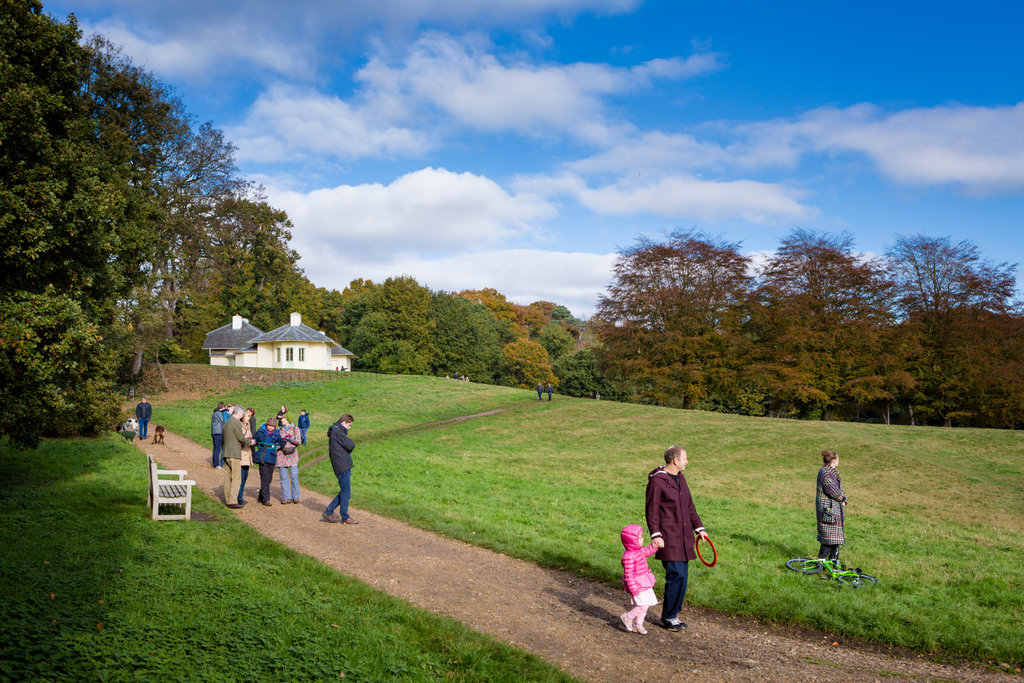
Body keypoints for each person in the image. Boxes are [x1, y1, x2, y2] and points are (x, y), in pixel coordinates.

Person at [645, 445, 708, 632]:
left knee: (683, 576)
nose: (687, 461)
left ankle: (673, 614)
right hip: (668, 537)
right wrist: (655, 535)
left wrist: (700, 528)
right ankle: (669, 617)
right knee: (676, 575)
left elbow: (690, 506)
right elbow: (651, 510)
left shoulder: (680, 478)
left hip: (684, 537)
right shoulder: (657, 482)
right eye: (685, 458)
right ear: (675, 460)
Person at [619, 524, 659, 635]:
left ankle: (638, 624)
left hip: (644, 582)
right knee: (643, 605)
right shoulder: (628, 557)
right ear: (632, 541)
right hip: (637, 585)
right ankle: (627, 617)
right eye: (640, 537)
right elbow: (629, 575)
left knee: (645, 605)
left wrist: (654, 546)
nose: (643, 539)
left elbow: (647, 551)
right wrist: (633, 588)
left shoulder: (638, 551)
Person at [322, 414, 357, 524]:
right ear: (344, 422)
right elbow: (350, 445)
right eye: (349, 425)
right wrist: (349, 440)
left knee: (345, 491)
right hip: (342, 465)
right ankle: (345, 517)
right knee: (346, 492)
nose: (349, 427)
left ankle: (329, 511)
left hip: (341, 464)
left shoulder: (336, 431)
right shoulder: (338, 432)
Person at [816, 450, 847, 564]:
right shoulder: (825, 472)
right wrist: (842, 498)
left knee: (835, 537)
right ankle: (821, 562)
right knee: (829, 537)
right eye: (838, 459)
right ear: (834, 461)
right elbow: (832, 489)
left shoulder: (830, 472)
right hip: (828, 509)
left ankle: (833, 561)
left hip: (833, 509)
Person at [222, 406, 254, 509]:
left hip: (226, 453)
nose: (242, 417)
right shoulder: (235, 422)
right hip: (234, 454)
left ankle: (227, 499)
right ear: (238, 413)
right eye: (241, 414)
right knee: (236, 478)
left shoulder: (227, 422)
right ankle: (232, 501)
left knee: (227, 478)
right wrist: (250, 442)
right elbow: (240, 438)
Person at [252, 418, 286, 506]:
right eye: (269, 425)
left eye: (272, 426)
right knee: (264, 478)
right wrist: (257, 446)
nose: (270, 428)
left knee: (269, 478)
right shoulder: (260, 432)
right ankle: (266, 499)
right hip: (262, 458)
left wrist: (277, 447)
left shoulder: (277, 434)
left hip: (271, 458)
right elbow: (254, 440)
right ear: (266, 425)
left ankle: (261, 495)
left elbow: (282, 443)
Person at [276, 415, 302, 504]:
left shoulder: (295, 429)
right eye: (281, 418)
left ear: (288, 419)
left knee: (294, 477)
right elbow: (275, 440)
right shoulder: (279, 429)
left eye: (283, 418)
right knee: (283, 478)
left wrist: (291, 439)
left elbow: (299, 441)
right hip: (281, 455)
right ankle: (286, 497)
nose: (281, 420)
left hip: (292, 456)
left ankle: (296, 496)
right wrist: (277, 445)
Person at [236, 409, 255, 506]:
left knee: (245, 476)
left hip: (247, 454)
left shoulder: (248, 425)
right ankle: (238, 497)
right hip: (241, 453)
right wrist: (248, 440)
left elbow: (249, 435)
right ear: (242, 418)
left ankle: (240, 496)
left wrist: (251, 440)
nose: (248, 417)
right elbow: (240, 439)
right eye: (247, 416)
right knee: (241, 477)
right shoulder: (239, 426)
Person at [210, 401, 226, 469]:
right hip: (218, 433)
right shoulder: (218, 413)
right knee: (217, 449)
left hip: (214, 432)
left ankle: (215, 463)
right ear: (223, 407)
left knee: (216, 448)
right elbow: (223, 421)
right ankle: (216, 464)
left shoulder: (215, 413)